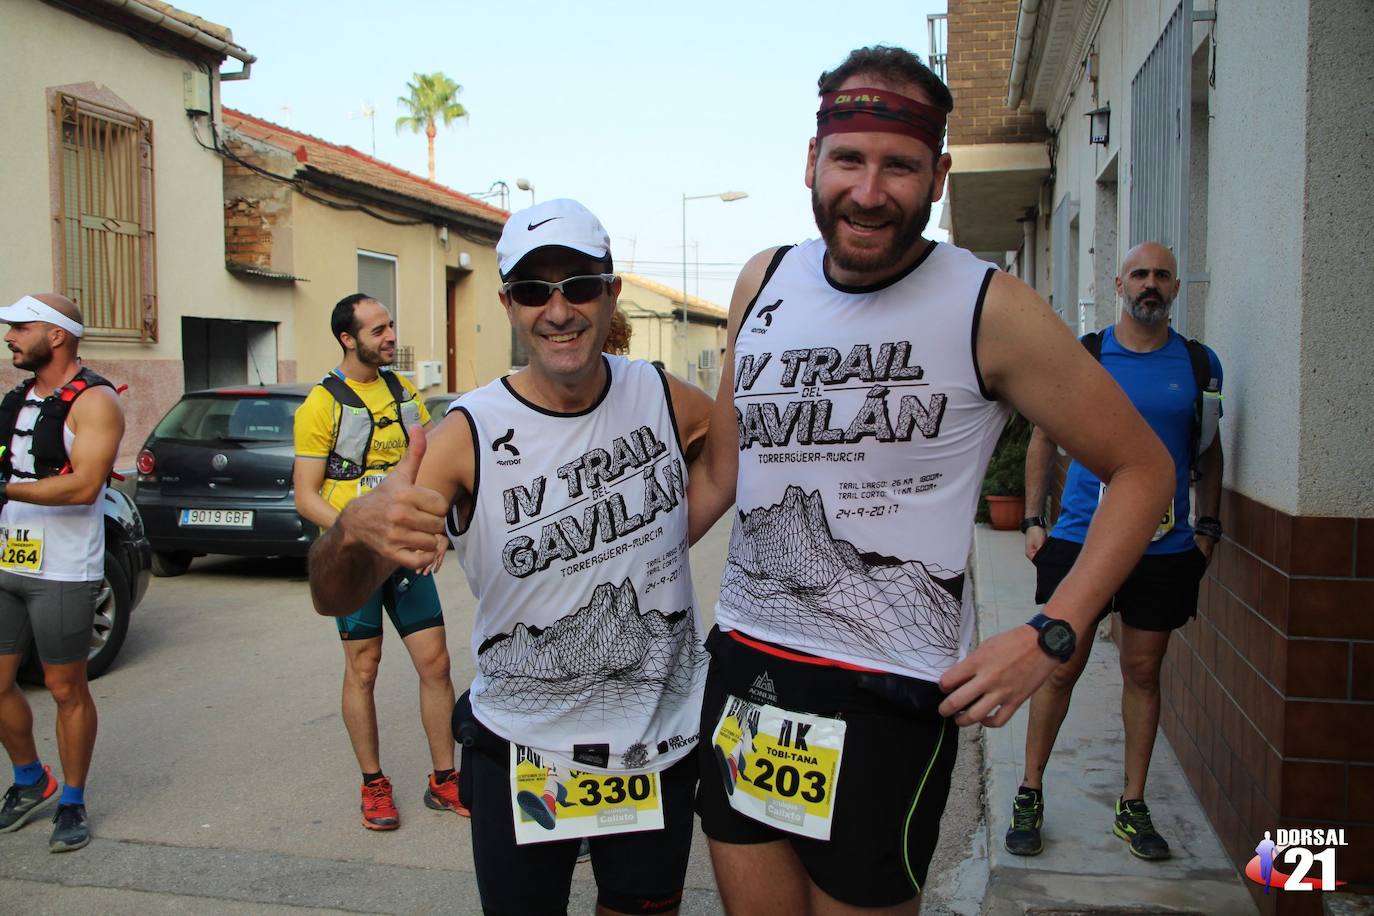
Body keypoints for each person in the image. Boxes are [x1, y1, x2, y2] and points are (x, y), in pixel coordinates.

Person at [685, 46, 1176, 913]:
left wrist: (1052, 632)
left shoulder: (990, 306)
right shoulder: (761, 280)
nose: (869, 192)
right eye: (849, 159)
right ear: (812, 160)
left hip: (887, 696)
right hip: (746, 674)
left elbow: (1144, 470)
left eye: (900, 166)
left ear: (939, 176)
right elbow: (724, 471)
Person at [307, 199, 714, 916]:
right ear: (508, 304)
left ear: (611, 292)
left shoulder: (658, 393)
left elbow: (730, 450)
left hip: (658, 744)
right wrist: (352, 529)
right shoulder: (465, 433)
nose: (558, 310)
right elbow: (335, 595)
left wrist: (669, 536)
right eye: (534, 290)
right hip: (525, 752)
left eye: (578, 285)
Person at [1006, 241, 1223, 862]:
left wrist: (1209, 528)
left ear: (1176, 289)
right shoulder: (1088, 355)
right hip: (1079, 539)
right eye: (1139, 275)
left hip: (1164, 547)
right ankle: (1030, 790)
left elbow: (1208, 452)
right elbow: (1044, 436)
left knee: (1143, 672)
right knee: (1059, 666)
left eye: (1162, 276)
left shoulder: (1201, 365)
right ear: (1119, 285)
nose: (1150, 285)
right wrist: (1032, 519)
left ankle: (1132, 805)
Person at [293, 293, 464, 831]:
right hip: (356, 560)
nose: (391, 337)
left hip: (404, 556)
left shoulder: (404, 392)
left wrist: (433, 529)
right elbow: (305, 495)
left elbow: (428, 468)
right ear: (348, 338)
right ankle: (374, 785)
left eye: (391, 325)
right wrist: (352, 531)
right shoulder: (322, 404)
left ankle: (444, 779)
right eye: (378, 330)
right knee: (363, 670)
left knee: (435, 663)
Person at [0, 293, 125, 853]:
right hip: (8, 557)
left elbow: (82, 486)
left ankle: (71, 801)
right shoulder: (19, 398)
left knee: (64, 688)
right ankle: (30, 780)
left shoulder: (95, 402)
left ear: (55, 335)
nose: (9, 337)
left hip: (65, 569)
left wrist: (4, 490)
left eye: (19, 327)